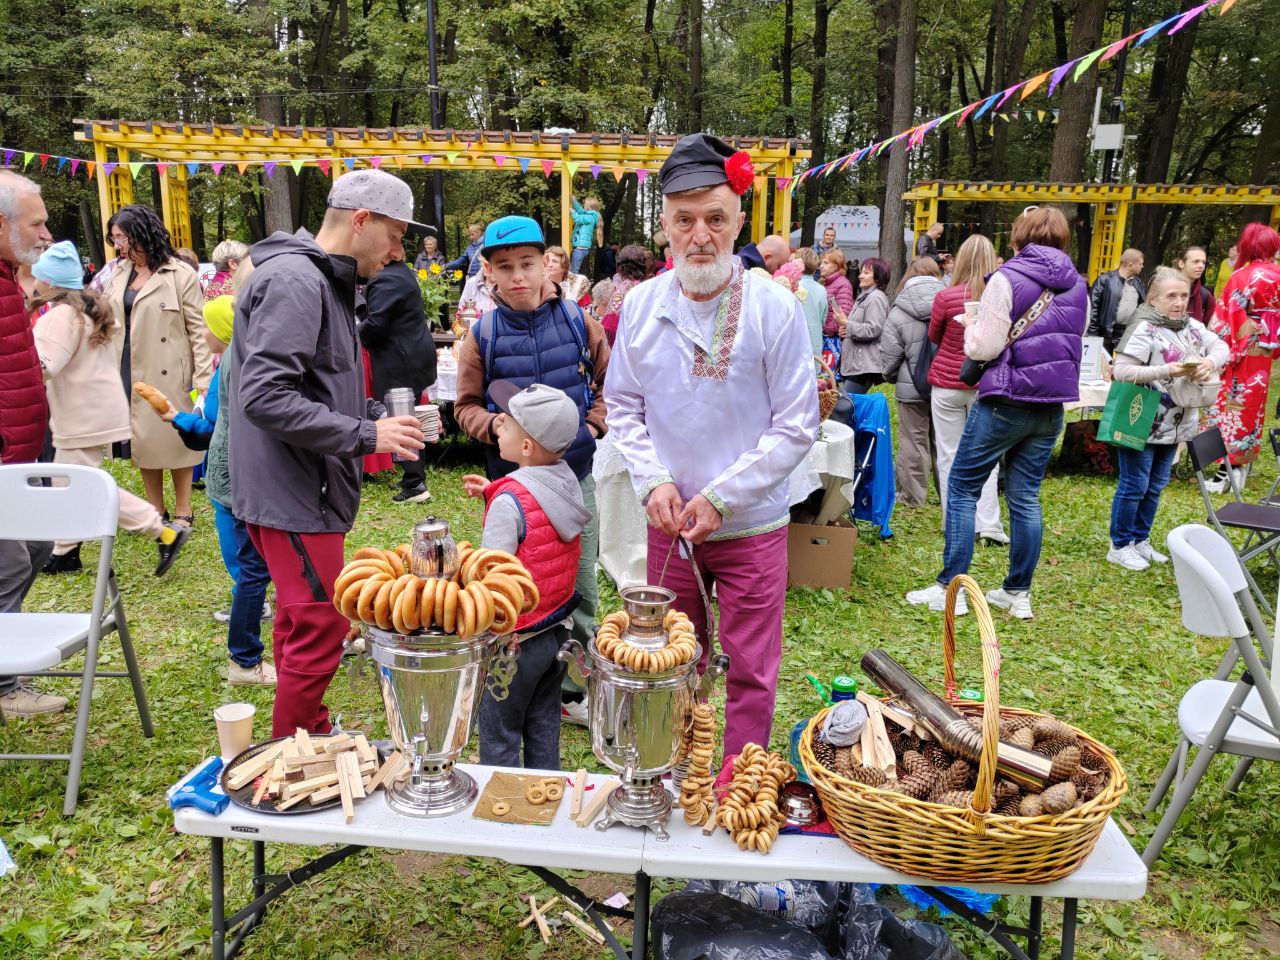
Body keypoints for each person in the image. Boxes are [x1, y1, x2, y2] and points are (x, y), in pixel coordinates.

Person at [606, 132, 819, 753]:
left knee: (751, 669)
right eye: (684, 220)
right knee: (672, 661)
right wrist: (653, 480)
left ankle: (736, 779)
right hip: (668, 519)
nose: (700, 235)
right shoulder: (642, 304)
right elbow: (621, 404)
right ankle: (673, 773)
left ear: (738, 222)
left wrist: (723, 496)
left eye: (715, 219)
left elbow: (797, 422)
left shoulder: (772, 308)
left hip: (751, 522)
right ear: (664, 226)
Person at [227, 169, 426, 736]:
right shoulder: (297, 280)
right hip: (294, 489)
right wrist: (367, 437)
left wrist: (372, 419)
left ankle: (305, 724)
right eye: (394, 234)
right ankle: (297, 746)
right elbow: (265, 397)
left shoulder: (323, 280)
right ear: (361, 221)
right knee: (320, 620)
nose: (398, 251)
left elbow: (314, 385)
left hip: (297, 485)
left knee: (297, 615)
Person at [453, 215, 609, 726]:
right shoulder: (483, 334)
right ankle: (511, 681)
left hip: (575, 478)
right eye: (505, 267)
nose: (518, 276)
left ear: (547, 262)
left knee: (580, 584)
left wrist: (590, 429)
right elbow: (465, 406)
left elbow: (612, 388)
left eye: (527, 263)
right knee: (514, 584)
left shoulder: (576, 321)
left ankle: (572, 691)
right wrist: (495, 425)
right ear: (489, 273)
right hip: (515, 489)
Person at [906, 207, 1087, 620]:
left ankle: (951, 587)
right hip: (1051, 405)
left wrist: (971, 327)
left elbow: (983, 348)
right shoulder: (1078, 284)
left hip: (1005, 399)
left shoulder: (1006, 278)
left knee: (963, 486)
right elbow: (1074, 337)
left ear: (1019, 237)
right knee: (1025, 497)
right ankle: (1017, 592)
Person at [31, 241, 191, 571]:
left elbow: (45, 365)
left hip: (80, 414)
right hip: (98, 409)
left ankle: (162, 531)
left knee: (83, 485)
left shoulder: (59, 317)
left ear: (48, 281)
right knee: (70, 482)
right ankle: (65, 550)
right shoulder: (89, 310)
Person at [464, 383, 590, 768]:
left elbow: (492, 579)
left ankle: (502, 813)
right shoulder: (566, 482)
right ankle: (545, 796)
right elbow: (538, 515)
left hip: (513, 643)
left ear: (526, 447)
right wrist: (496, 491)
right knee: (542, 720)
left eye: (507, 423)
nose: (497, 423)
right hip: (557, 633)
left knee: (500, 728)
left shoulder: (509, 502)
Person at [102, 204, 214, 537]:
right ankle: (154, 508)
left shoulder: (180, 274)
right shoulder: (118, 272)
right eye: (114, 238)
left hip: (169, 368)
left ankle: (183, 508)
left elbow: (199, 330)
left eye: (121, 237)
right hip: (126, 364)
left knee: (174, 439)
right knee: (141, 439)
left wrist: (203, 381)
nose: (117, 245)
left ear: (140, 233)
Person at [1108, 267, 1227, 570]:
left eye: (1184, 295)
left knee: (1156, 483)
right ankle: (1119, 544)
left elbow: (1222, 346)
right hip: (1142, 419)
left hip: (1176, 424)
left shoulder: (1193, 327)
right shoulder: (1144, 329)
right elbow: (1120, 370)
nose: (1178, 302)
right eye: (1171, 296)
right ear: (1154, 299)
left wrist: (1209, 362)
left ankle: (1140, 539)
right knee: (1135, 484)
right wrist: (1167, 370)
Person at [0, 171, 61, 718]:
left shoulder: (6, 277)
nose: (46, 234)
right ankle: (4, 685)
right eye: (36, 223)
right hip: (4, 461)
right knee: (11, 566)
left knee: (40, 546)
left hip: (24, 455)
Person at [928, 235, 1007, 545]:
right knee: (985, 456)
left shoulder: (946, 297)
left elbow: (934, 335)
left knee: (948, 455)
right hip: (984, 386)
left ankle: (955, 521)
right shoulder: (999, 299)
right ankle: (989, 524)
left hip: (947, 384)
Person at [360, 244, 438, 504]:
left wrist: (350, 335)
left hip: (402, 360)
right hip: (411, 355)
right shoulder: (399, 273)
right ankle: (412, 476)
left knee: (403, 418)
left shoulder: (387, 279)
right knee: (409, 416)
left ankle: (415, 484)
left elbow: (376, 325)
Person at [1206, 223, 1280, 489]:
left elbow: (1227, 315)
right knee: (1253, 407)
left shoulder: (1243, 275)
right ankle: (1242, 464)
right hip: (1263, 347)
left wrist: (1227, 347)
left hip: (1242, 347)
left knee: (1231, 405)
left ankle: (1228, 470)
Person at [880, 256, 944, 507]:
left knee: (912, 440)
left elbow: (890, 354)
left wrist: (894, 377)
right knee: (944, 440)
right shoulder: (951, 301)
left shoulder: (899, 309)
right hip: (946, 382)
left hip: (911, 384)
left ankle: (912, 496)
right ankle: (947, 493)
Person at [840, 256, 889, 395]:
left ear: (878, 278)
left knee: (845, 407)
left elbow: (873, 329)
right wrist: (846, 331)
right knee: (849, 408)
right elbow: (859, 325)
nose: (860, 276)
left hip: (864, 365)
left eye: (866, 273)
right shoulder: (864, 296)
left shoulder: (876, 297)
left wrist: (846, 323)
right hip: (856, 363)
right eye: (861, 272)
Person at [1087, 248, 1146, 354]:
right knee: (1103, 366)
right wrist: (1093, 335)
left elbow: (1142, 308)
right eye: (1140, 264)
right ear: (1131, 265)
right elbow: (1093, 308)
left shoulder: (1138, 283)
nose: (1142, 267)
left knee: (1125, 367)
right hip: (1106, 332)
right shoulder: (1105, 280)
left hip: (1128, 332)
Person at [602, 243, 648, 347]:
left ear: (620, 266)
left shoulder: (623, 287)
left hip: (622, 345)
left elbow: (609, 326)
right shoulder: (647, 287)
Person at [796, 248, 829, 355]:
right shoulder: (821, 289)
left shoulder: (792, 286)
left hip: (796, 340)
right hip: (815, 339)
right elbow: (823, 319)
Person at [1177, 245, 1216, 326]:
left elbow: (1209, 329)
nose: (1201, 266)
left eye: (1203, 262)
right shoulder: (1164, 290)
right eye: (1196, 261)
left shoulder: (1205, 296)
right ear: (1181, 264)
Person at [569, 196, 604, 275]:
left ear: (588, 206)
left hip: (580, 249)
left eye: (584, 204)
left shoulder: (590, 217)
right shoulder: (590, 215)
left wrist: (572, 212)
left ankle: (573, 286)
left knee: (573, 271)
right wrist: (574, 201)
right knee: (573, 270)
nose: (583, 206)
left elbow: (578, 219)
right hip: (581, 248)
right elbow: (580, 210)